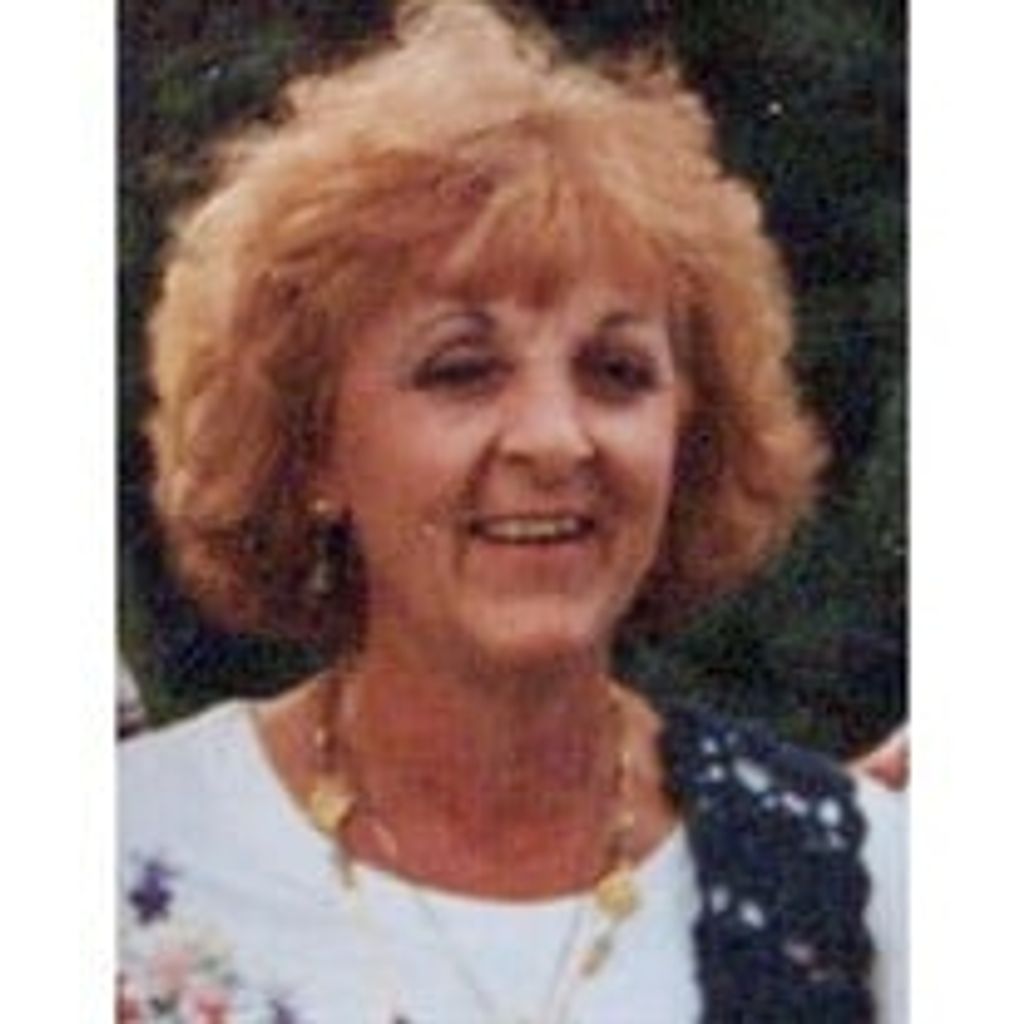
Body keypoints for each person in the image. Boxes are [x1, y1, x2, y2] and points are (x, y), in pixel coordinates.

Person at [118, 2, 906, 1021]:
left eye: (615, 372)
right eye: (462, 369)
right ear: (313, 446)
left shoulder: (866, 891)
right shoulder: (119, 859)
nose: (555, 438)